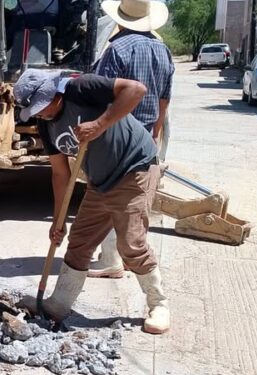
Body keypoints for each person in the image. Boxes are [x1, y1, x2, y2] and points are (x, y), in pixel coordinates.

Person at [14, 69, 170, 334]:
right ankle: (59, 303)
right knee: (79, 241)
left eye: (42, 106)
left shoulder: (81, 88)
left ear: (54, 92)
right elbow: (60, 173)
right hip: (100, 180)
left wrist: (99, 124)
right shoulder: (44, 123)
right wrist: (58, 221)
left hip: (135, 168)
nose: (41, 113)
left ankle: (159, 304)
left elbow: (136, 90)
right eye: (36, 111)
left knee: (131, 244)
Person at [88, 0, 174, 278]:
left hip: (117, 137)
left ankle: (111, 259)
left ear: (121, 20)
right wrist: (156, 137)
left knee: (109, 195)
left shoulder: (116, 50)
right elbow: (164, 101)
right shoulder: (164, 51)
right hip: (146, 137)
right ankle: (125, 257)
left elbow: (100, 97)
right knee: (135, 201)